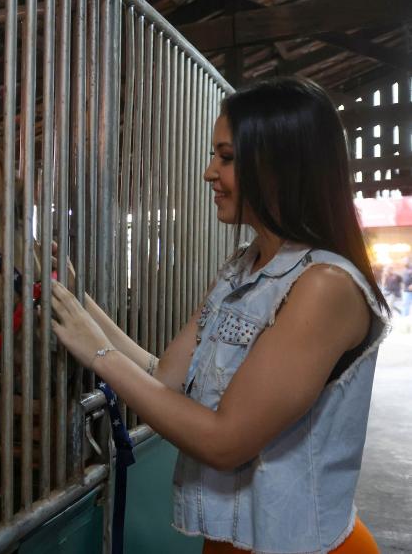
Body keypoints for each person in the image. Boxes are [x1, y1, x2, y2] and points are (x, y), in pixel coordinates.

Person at [50, 77, 389, 553]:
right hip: (230, 542)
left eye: (226, 157)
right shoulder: (244, 268)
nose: (210, 172)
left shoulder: (323, 286)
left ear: (278, 164)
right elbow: (162, 378)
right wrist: (74, 299)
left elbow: (225, 442)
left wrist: (99, 354)